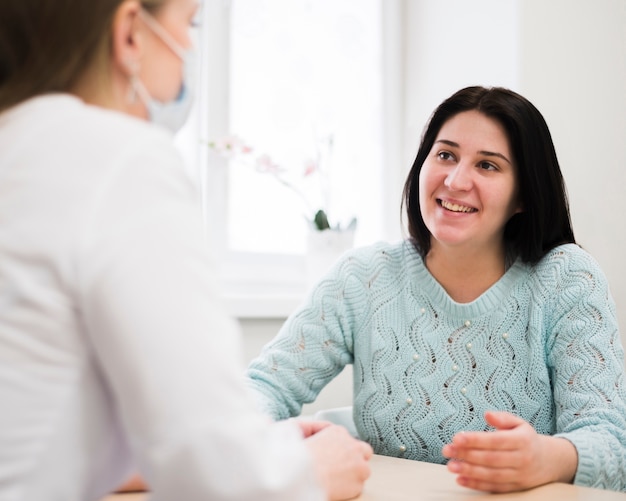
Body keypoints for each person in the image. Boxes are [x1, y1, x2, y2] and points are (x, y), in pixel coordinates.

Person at [0, 1, 372, 500]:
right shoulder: (117, 157)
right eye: (189, 23)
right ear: (131, 31)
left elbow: (37, 416)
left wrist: (257, 445)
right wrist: (308, 473)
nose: (191, 47)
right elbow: (219, 473)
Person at [247, 85, 626, 493]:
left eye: (488, 166)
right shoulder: (363, 277)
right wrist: (262, 444)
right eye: (445, 155)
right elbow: (263, 387)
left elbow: (611, 443)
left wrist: (549, 459)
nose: (457, 180)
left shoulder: (567, 279)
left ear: (524, 196)